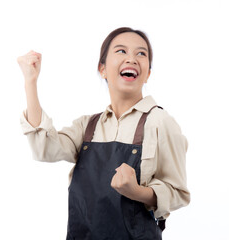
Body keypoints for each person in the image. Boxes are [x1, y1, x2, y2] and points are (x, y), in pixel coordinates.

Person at [18, 27, 190, 240]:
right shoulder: (88, 126)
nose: (132, 59)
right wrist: (30, 82)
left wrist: (136, 192)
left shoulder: (160, 122)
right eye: (121, 51)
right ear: (102, 69)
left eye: (141, 53)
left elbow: (178, 193)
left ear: (148, 73)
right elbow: (44, 149)